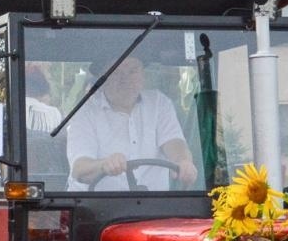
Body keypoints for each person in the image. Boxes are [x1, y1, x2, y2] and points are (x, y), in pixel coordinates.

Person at [63, 55, 199, 192]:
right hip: (96, 208)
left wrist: (183, 161)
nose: (126, 79)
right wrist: (103, 165)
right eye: (116, 72)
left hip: (156, 207)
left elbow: (174, 142)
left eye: (133, 71)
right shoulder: (85, 112)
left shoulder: (159, 103)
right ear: (102, 79)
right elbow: (80, 169)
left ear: (142, 76)